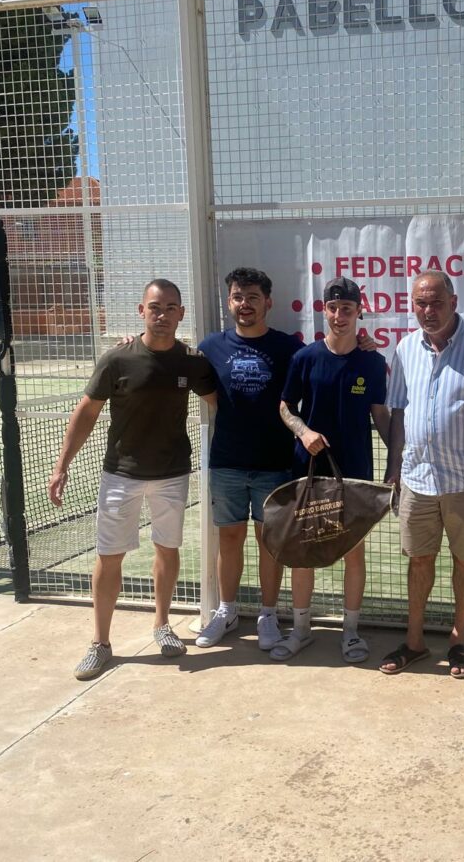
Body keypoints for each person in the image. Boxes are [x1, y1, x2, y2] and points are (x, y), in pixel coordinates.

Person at [49, 279, 217, 681]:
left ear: (181, 314)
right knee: (109, 557)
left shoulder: (191, 362)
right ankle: (100, 644)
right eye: (155, 308)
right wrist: (61, 465)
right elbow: (86, 413)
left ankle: (162, 626)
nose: (163, 315)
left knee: (168, 549)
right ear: (142, 311)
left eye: (171, 308)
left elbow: (218, 403)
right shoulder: (117, 359)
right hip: (120, 475)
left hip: (172, 475)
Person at [380, 270, 464, 679]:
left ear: (453, 302)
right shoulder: (404, 349)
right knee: (419, 561)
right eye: (420, 303)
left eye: (436, 302)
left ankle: (459, 640)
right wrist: (393, 467)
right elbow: (399, 411)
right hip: (417, 481)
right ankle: (415, 641)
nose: (428, 311)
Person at [275, 277, 390, 663]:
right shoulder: (305, 358)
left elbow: (381, 417)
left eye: (347, 309)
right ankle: (302, 630)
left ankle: (351, 633)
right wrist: (303, 431)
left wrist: (397, 461)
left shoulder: (372, 363)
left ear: (360, 312)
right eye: (332, 308)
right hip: (307, 471)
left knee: (352, 553)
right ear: (323, 310)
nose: (339, 316)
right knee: (302, 551)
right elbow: (285, 408)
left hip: (354, 473)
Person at [195, 268, 304, 650]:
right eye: (238, 297)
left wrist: (365, 345)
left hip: (275, 465)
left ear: (268, 303)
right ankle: (226, 611)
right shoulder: (210, 347)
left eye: (253, 297)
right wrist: (130, 340)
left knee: (269, 542)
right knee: (229, 537)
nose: (245, 305)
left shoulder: (289, 348)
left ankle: (268, 615)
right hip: (226, 462)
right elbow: (169, 360)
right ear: (229, 302)